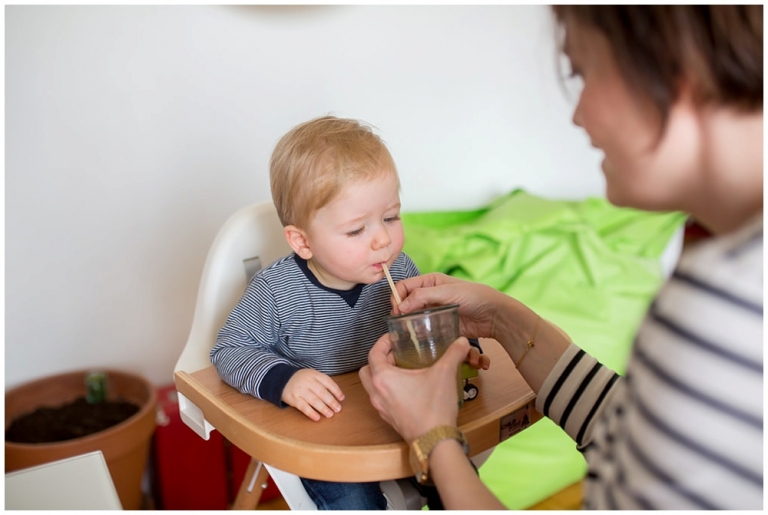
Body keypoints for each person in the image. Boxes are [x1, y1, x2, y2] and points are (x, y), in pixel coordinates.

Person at [359, 5, 762, 510]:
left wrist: (434, 439)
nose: (578, 114)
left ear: (672, 68)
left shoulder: (724, 304)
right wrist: (505, 319)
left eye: (583, 72)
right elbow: (642, 439)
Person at [209, 115, 487, 510]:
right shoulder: (276, 291)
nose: (382, 239)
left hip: (398, 414)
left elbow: (433, 326)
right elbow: (229, 350)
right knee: (353, 501)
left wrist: (457, 346)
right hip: (328, 432)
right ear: (302, 242)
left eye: (391, 217)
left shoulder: (401, 270)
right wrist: (286, 380)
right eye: (357, 231)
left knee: (455, 475)